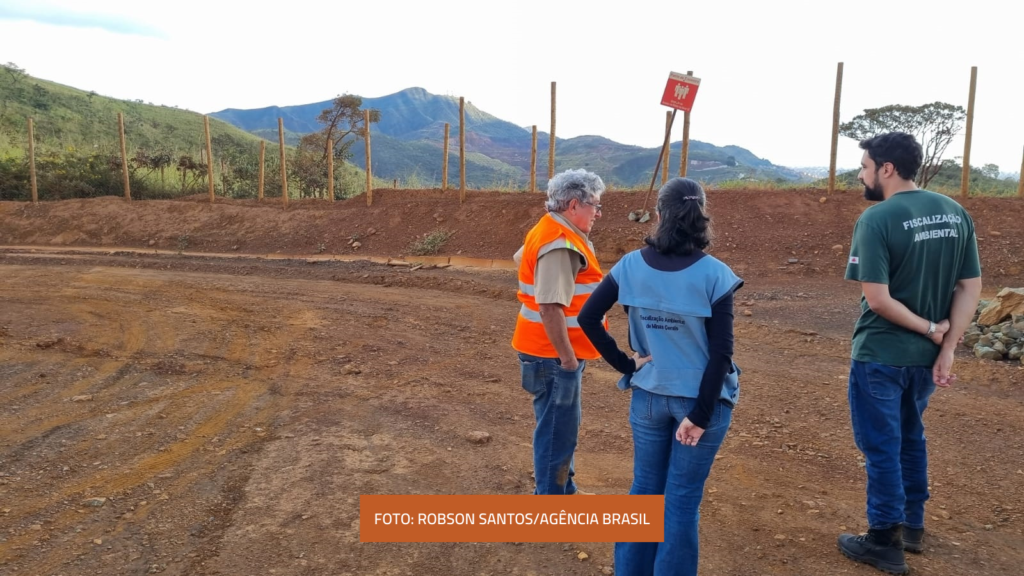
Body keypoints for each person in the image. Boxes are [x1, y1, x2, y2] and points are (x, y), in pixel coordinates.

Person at [578, 177, 743, 576]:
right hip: (701, 402)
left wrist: (625, 365)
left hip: (649, 395)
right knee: (681, 501)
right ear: (702, 215)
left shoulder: (630, 265)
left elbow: (587, 318)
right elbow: (721, 353)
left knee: (644, 495)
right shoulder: (715, 274)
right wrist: (701, 415)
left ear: (659, 215)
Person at [837, 132, 982, 575]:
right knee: (910, 434)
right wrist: (946, 345)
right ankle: (913, 526)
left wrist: (930, 328)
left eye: (864, 167)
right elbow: (970, 287)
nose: (861, 175)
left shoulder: (877, 219)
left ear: (886, 168)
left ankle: (883, 538)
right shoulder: (955, 213)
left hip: (881, 353)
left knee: (882, 445)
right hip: (924, 359)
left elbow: (878, 300)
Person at [511, 168, 607, 495]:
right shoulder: (559, 243)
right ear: (573, 205)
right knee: (557, 430)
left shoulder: (550, 229)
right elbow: (550, 307)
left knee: (560, 425)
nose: (597, 212)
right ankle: (552, 502)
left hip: (545, 350)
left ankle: (563, 490)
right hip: (552, 355)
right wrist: (567, 360)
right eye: (594, 205)